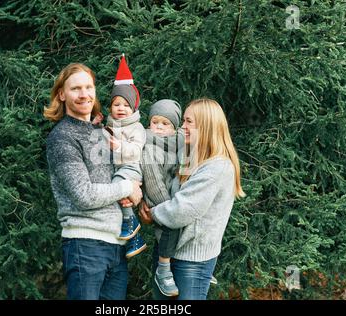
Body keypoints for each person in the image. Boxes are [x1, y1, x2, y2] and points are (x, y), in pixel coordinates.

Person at [44, 62, 142, 300]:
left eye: (89, 87)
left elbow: (125, 174)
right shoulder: (62, 138)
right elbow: (84, 195)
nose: (84, 94)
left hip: (117, 246)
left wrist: (136, 193)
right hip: (85, 245)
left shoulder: (104, 133)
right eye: (76, 88)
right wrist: (127, 188)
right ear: (62, 94)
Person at [139, 98, 245, 300]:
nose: (183, 127)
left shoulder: (217, 167)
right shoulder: (190, 156)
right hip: (170, 254)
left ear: (205, 126)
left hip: (191, 262)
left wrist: (151, 214)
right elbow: (169, 191)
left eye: (189, 122)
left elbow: (181, 209)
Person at [103, 54, 147, 258]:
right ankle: (135, 240)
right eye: (116, 104)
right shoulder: (109, 126)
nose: (121, 108)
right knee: (120, 195)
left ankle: (130, 223)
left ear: (133, 108)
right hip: (118, 169)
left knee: (119, 183)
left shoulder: (136, 127)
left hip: (131, 169)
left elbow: (136, 150)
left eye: (126, 105)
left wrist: (119, 146)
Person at [140, 99, 183, 296]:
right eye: (154, 122)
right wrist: (168, 206)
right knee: (169, 232)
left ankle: (193, 269)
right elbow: (153, 180)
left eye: (165, 123)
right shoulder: (149, 148)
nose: (158, 127)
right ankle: (163, 270)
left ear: (174, 128)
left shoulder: (179, 145)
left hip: (173, 200)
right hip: (158, 200)